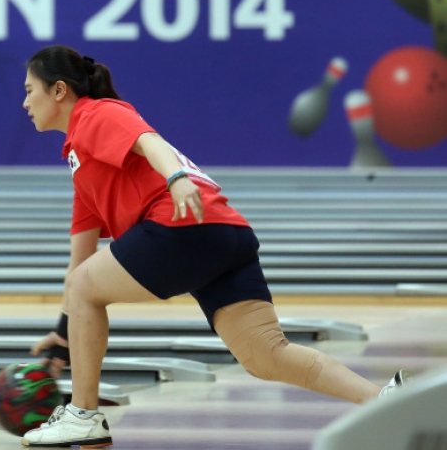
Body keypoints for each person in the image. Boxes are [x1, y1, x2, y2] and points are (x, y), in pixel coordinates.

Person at [20, 44, 409, 448]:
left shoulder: (96, 114)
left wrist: (175, 179)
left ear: (60, 91)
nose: (26, 101)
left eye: (31, 90)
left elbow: (150, 142)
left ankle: (82, 416)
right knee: (265, 355)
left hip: (181, 224)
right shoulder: (81, 163)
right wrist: (65, 333)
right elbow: (79, 262)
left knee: (87, 285)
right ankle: (389, 401)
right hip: (224, 236)